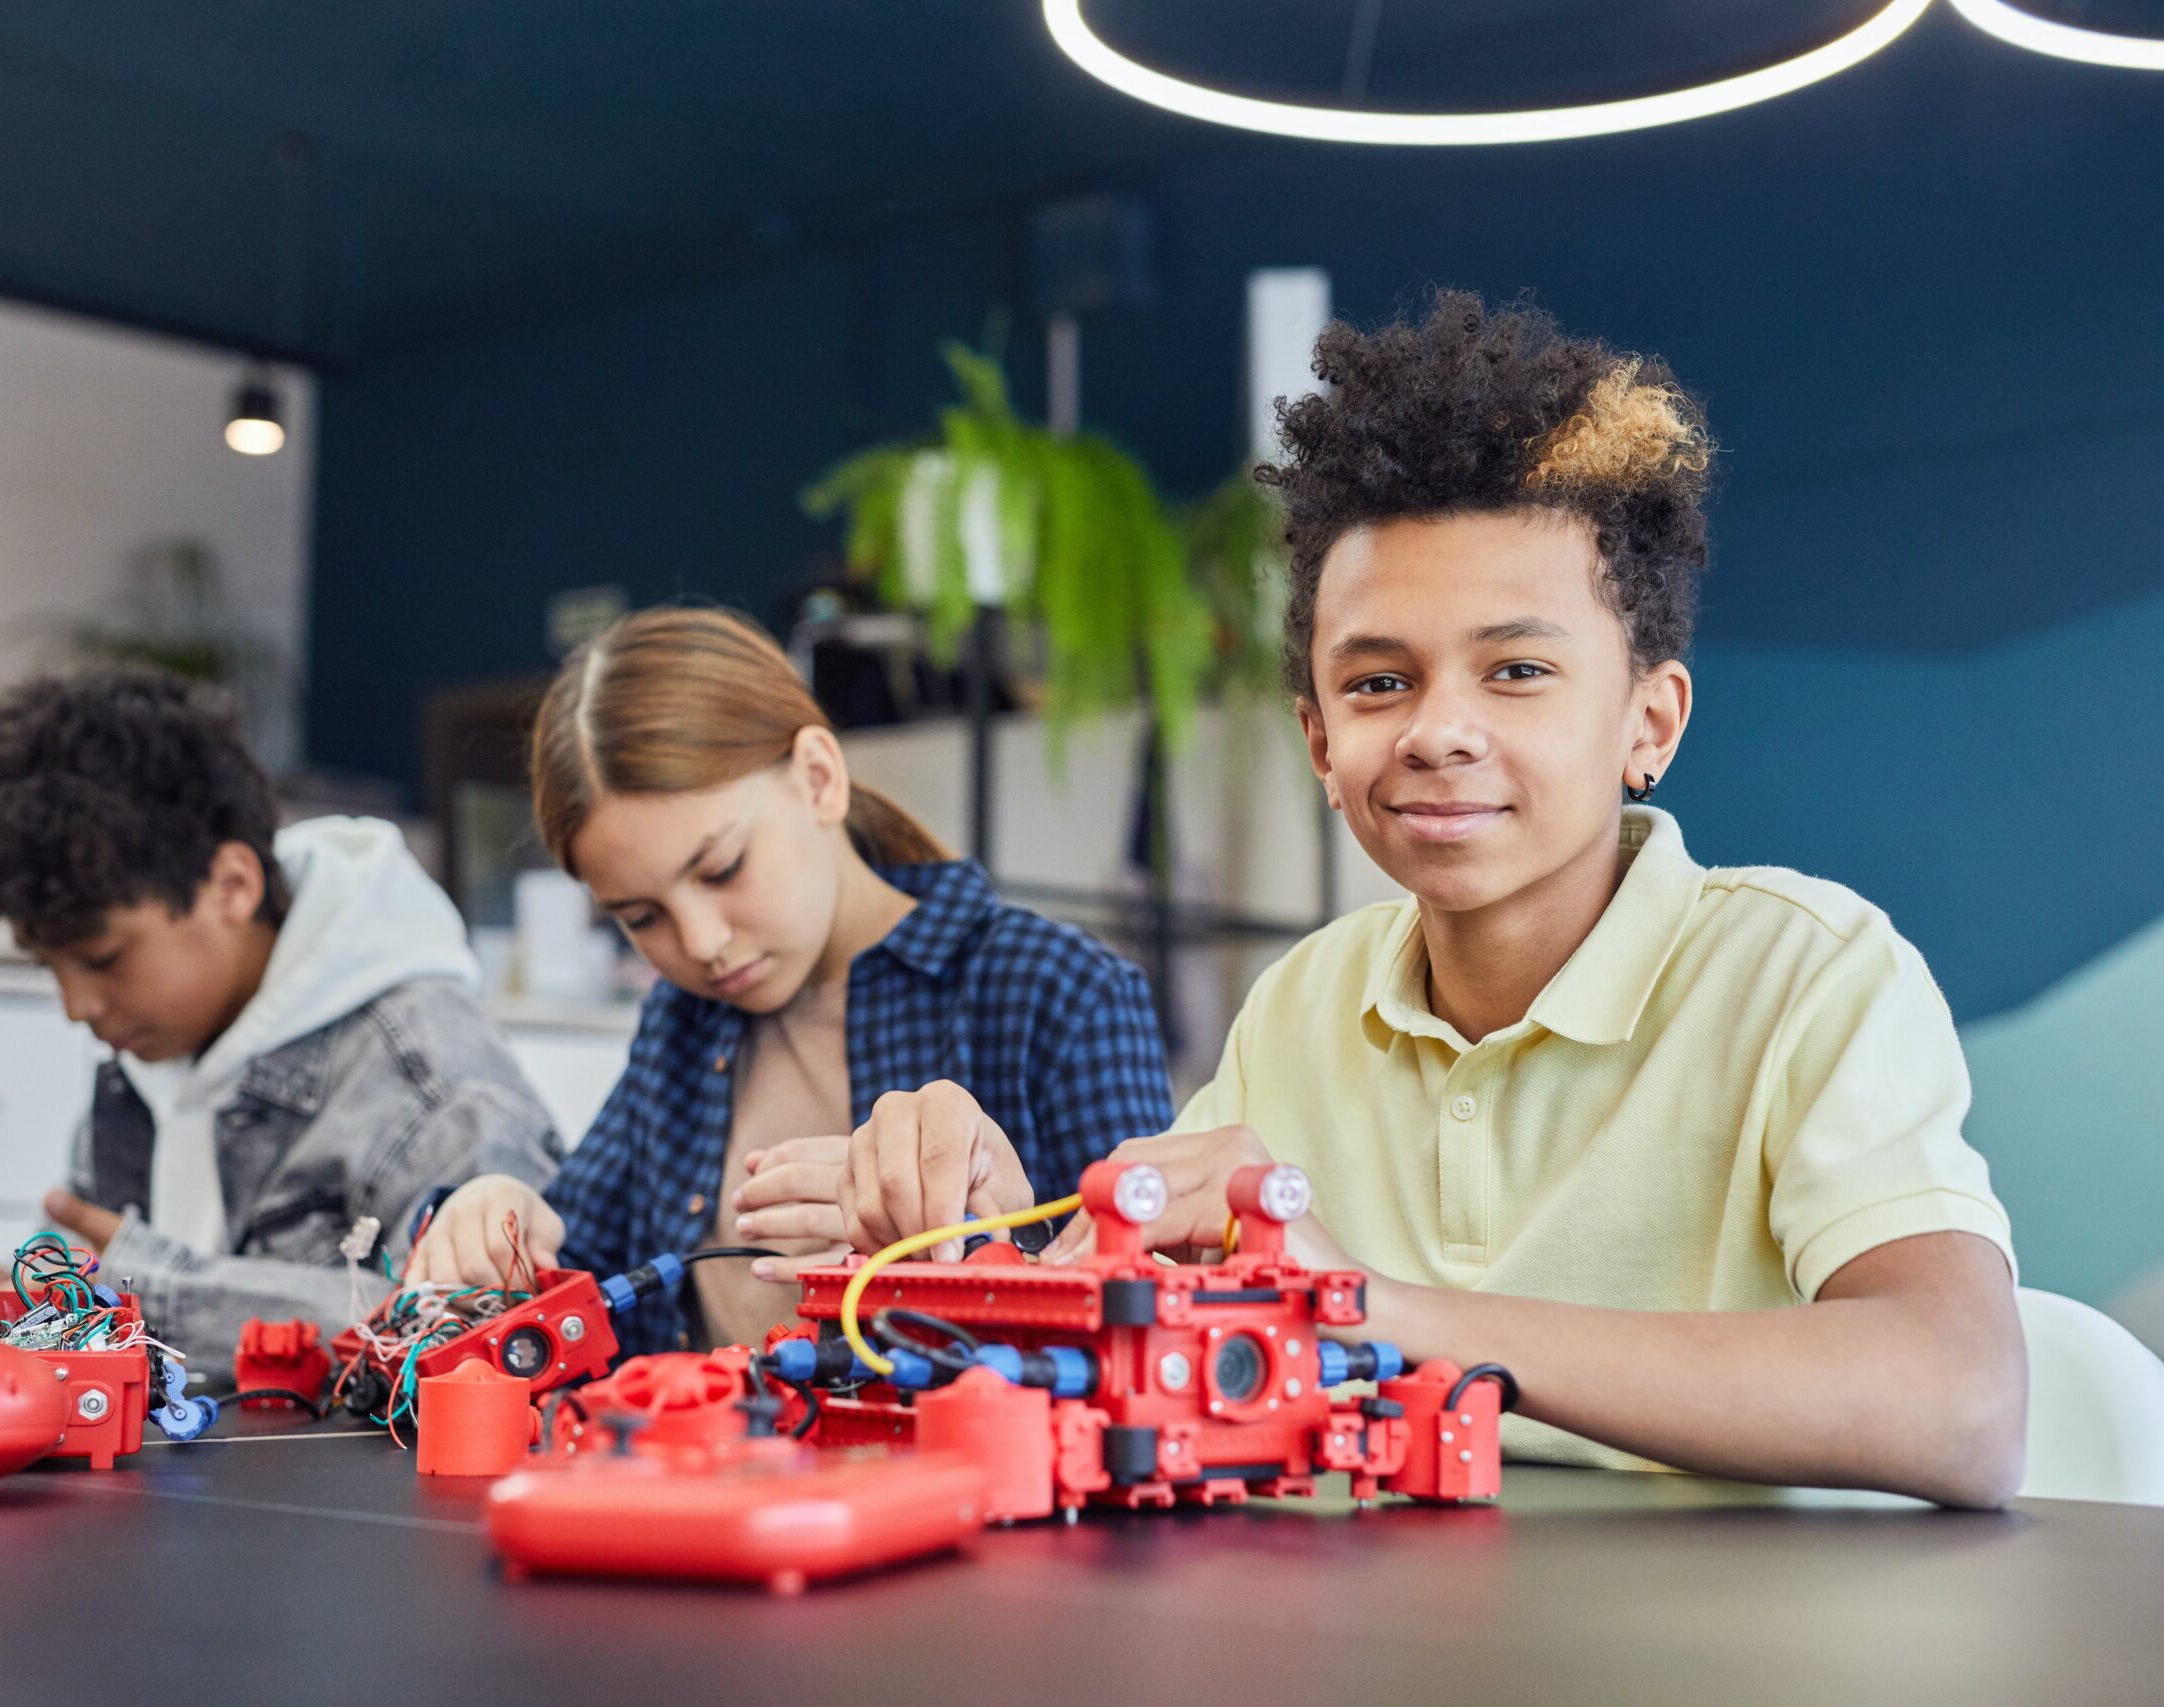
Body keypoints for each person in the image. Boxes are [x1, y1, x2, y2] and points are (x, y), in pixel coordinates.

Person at [835, 292, 2026, 1508]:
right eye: (1377, 682)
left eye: (1516, 671)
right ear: (1316, 740)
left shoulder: (1809, 975)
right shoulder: (1301, 1003)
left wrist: (1373, 1306)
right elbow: (1142, 1343)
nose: (1437, 732)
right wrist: (982, 1250)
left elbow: (1962, 1401)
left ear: (1647, 722)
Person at [405, 607, 1175, 1352]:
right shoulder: (684, 1020)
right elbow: (575, 1258)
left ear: (817, 777)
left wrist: (972, 1249)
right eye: (642, 917)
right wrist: (490, 1218)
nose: (701, 943)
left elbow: (1152, 1322)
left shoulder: (1063, 993)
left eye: (722, 868)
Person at [0, 669, 561, 1365]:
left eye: (103, 958)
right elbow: (102, 1272)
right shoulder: (157, 1048)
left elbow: (483, 1327)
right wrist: (34, 1305)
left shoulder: (434, 1085)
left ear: (232, 886)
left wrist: (152, 1299)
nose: (77, 1007)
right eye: (48, 966)